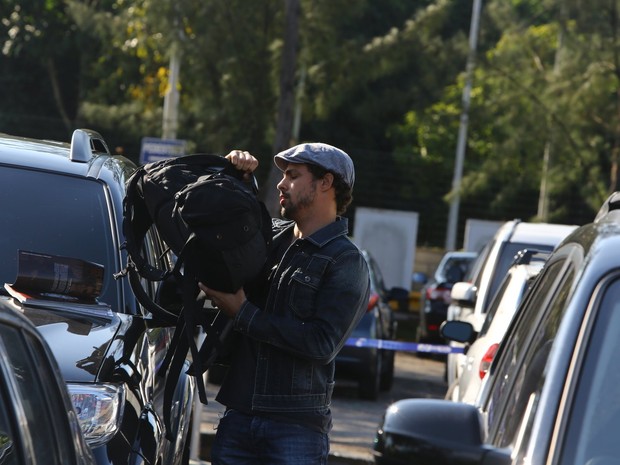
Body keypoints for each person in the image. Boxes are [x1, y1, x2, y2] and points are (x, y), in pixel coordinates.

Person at [198, 142, 371, 465]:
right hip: (239, 417)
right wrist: (237, 178)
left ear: (325, 183)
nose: (281, 183)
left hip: (296, 430)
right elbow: (229, 230)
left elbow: (321, 343)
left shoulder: (345, 262)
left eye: (293, 175)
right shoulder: (271, 239)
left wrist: (244, 314)